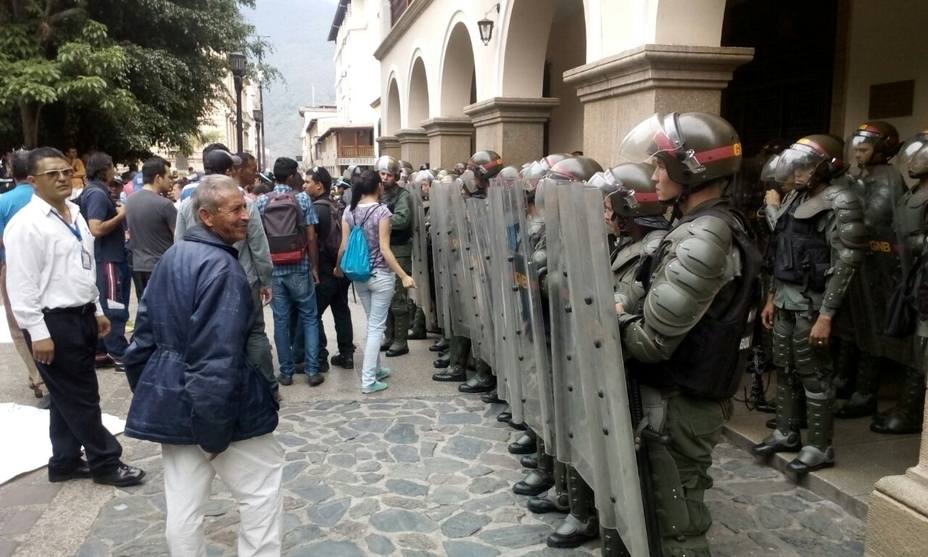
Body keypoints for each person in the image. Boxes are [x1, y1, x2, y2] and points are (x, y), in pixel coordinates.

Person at [615, 112, 758, 555]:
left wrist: (612, 319)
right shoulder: (706, 224)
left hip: (683, 398)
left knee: (678, 519)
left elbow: (653, 343)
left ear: (690, 168)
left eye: (661, 165)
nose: (654, 175)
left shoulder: (704, 235)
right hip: (683, 391)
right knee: (661, 506)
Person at [123, 174, 281, 557]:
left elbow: (142, 338)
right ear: (207, 217)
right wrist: (212, 428)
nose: (246, 216)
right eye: (236, 209)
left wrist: (153, 388)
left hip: (177, 397)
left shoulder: (174, 256)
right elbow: (216, 357)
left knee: (184, 503)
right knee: (261, 490)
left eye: (245, 206)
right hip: (216, 407)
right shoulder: (223, 270)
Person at [5, 146, 145, 487]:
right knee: (81, 396)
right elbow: (21, 284)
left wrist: (95, 309)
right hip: (51, 322)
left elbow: (83, 269)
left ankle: (65, 461)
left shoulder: (75, 215)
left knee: (69, 395)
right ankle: (105, 461)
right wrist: (37, 332)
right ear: (34, 181)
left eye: (67, 171)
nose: (63, 178)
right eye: (52, 174)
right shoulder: (26, 225)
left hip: (80, 314)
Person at [753, 134, 866, 474]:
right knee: (785, 367)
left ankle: (819, 445)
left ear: (827, 166)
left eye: (806, 166)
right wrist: (771, 296)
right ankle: (788, 432)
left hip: (812, 304)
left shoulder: (841, 200)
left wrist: (827, 315)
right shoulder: (795, 197)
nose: (798, 173)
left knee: (814, 374)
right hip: (786, 298)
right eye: (797, 166)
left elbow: (846, 261)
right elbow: (781, 247)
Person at [175, 147, 276, 397]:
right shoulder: (245, 204)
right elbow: (259, 246)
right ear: (231, 171)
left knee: (213, 336)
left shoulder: (188, 204)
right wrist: (265, 280)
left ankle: (222, 390)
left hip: (201, 284)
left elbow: (179, 245)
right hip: (244, 280)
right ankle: (266, 389)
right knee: (254, 333)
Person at [335, 169, 416, 394]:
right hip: (381, 275)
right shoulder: (382, 212)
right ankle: (369, 379)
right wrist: (404, 275)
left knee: (373, 323)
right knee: (376, 328)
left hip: (359, 276)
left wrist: (337, 267)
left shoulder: (348, 212)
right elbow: (385, 249)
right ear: (377, 187)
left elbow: (342, 246)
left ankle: (376, 370)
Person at [256, 157, 324, 387]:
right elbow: (311, 236)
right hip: (300, 266)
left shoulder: (261, 201)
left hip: (274, 270)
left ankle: (286, 373)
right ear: (293, 175)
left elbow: (259, 240)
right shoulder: (303, 199)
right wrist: (314, 266)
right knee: (309, 317)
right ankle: (313, 371)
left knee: (281, 321)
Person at [0, 150, 46, 404]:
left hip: (14, 266)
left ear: (11, 171)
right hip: (49, 268)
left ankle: (37, 375)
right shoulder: (48, 197)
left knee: (18, 325)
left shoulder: (3, 202)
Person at [79, 151, 130, 371]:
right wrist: (121, 214)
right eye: (112, 167)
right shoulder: (97, 195)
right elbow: (96, 228)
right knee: (113, 304)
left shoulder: (96, 192)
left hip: (107, 257)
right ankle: (119, 353)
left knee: (107, 303)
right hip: (107, 259)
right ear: (105, 169)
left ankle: (101, 351)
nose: (114, 171)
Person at [305, 166, 355, 370]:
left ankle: (320, 356)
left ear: (319, 185)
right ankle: (346, 355)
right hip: (342, 268)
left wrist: (314, 268)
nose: (305, 185)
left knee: (313, 313)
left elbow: (312, 242)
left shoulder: (316, 209)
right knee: (341, 310)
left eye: (308, 182)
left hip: (326, 269)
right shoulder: (336, 205)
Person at [374, 156, 415, 357]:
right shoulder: (377, 194)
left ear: (396, 176)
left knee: (398, 296)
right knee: (385, 296)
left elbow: (402, 218)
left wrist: (380, 221)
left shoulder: (402, 195)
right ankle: (389, 337)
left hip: (399, 250)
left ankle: (400, 341)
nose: (385, 178)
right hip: (383, 250)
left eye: (389, 174)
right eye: (382, 174)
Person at [124, 157, 177, 299]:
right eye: (168, 177)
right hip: (161, 267)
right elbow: (178, 237)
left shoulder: (130, 200)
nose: (171, 181)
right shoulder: (165, 205)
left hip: (138, 265)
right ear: (158, 178)